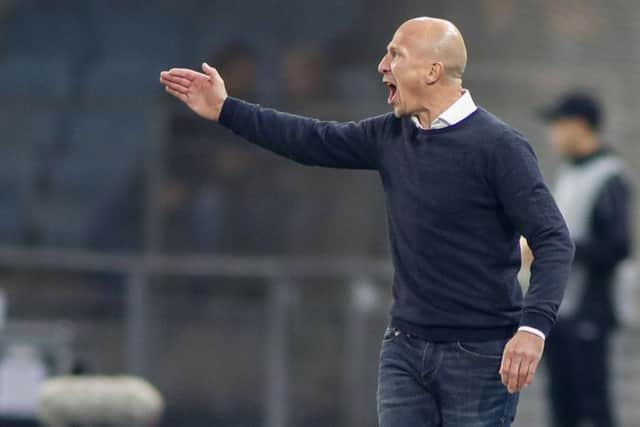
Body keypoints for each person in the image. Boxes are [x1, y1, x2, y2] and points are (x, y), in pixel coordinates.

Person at [159, 16, 574, 426]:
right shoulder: (390, 136)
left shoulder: (501, 147)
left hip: (480, 355)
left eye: (395, 54)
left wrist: (533, 329)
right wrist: (226, 109)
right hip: (404, 350)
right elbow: (309, 140)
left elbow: (554, 240)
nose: (381, 65)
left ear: (432, 70)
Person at [538, 92, 633, 427]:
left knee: (593, 409)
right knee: (561, 407)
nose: (553, 135)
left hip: (589, 311)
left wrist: (557, 245)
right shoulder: (569, 173)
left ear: (579, 125)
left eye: (558, 126)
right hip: (559, 312)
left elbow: (617, 247)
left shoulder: (609, 178)